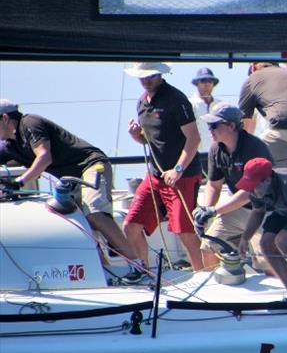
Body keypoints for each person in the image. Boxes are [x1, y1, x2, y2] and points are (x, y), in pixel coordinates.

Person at [0, 99, 143, 281]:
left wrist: (20, 182)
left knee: (94, 213)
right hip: (72, 181)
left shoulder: (29, 123)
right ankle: (105, 272)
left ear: (5, 118)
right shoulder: (10, 146)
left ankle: (137, 265)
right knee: (77, 224)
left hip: (91, 165)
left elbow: (44, 157)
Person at [195, 157, 287, 301]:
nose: (250, 190)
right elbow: (257, 212)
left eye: (253, 186)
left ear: (268, 180)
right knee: (265, 243)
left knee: (284, 241)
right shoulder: (257, 189)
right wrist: (245, 238)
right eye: (249, 185)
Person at [123, 62, 213, 278]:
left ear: (160, 75)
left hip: (183, 175)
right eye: (142, 76)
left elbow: (194, 139)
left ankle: (204, 278)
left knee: (185, 230)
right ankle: (143, 272)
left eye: (150, 76)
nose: (146, 80)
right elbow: (153, 140)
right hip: (155, 176)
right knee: (130, 226)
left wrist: (178, 169)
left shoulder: (176, 99)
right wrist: (138, 137)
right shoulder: (141, 103)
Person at [192, 102, 275, 272]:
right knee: (208, 247)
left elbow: (250, 192)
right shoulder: (216, 149)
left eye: (214, 125)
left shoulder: (255, 147)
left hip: (265, 211)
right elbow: (214, 185)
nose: (210, 130)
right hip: (239, 209)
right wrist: (206, 210)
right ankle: (215, 292)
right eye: (209, 125)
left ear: (231, 126)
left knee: (265, 262)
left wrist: (214, 211)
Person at [188, 67, 221, 160]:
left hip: (218, 155)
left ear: (213, 84)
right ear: (196, 83)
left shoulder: (221, 105)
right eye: (203, 81)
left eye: (210, 81)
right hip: (196, 156)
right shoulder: (189, 104)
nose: (207, 84)